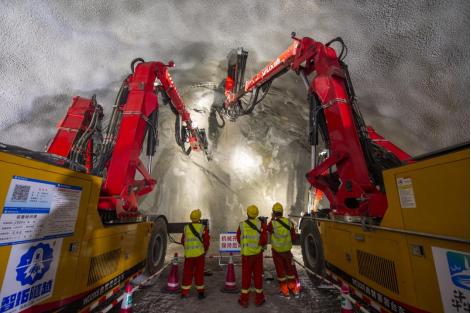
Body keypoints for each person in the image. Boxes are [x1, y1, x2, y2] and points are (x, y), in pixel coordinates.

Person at [236, 205, 267, 307]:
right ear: (256, 214)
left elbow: (238, 238)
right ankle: (259, 299)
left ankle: (244, 300)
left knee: (246, 277)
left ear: (247, 213)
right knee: (258, 276)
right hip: (257, 255)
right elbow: (264, 240)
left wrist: (246, 245)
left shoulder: (242, 225)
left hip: (246, 255)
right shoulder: (261, 225)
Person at [268, 202, 300, 297]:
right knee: (290, 270)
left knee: (280, 271)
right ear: (282, 212)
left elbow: (268, 230)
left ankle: (285, 291)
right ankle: (294, 289)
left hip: (277, 252)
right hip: (287, 252)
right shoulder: (289, 222)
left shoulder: (272, 224)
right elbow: (293, 237)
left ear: (273, 213)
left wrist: (272, 218)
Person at [181, 209, 210, 299]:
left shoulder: (186, 228)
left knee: (187, 273)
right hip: (199, 255)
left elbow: (182, 241)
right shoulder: (202, 228)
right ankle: (200, 293)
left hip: (189, 255)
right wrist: (204, 250)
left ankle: (184, 293)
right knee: (199, 274)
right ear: (199, 218)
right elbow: (206, 242)